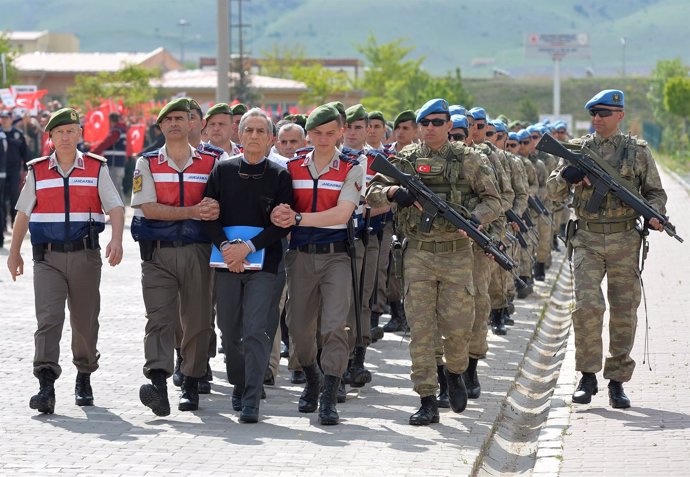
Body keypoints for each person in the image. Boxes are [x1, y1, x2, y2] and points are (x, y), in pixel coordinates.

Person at [366, 98, 502, 425]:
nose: (430, 128)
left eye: (437, 122)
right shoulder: (407, 159)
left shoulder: (468, 159)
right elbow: (371, 193)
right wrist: (391, 194)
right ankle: (426, 396)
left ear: (448, 126)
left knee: (457, 329)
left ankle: (455, 372)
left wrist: (473, 218)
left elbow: (494, 201)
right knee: (422, 330)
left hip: (456, 252)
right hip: (419, 253)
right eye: (424, 123)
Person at [546, 89, 668, 409]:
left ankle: (616, 381)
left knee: (624, 312)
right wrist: (568, 177)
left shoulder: (637, 152)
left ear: (620, 116)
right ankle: (587, 375)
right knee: (586, 306)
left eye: (604, 114)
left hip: (625, 240)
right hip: (586, 238)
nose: (597, 119)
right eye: (593, 114)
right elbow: (552, 191)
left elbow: (655, 193)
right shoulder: (578, 150)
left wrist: (655, 214)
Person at [6, 107, 125, 414]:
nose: (66, 137)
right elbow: (22, 213)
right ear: (51, 138)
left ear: (80, 135)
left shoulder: (97, 168)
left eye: (71, 131)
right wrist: (15, 251)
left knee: (84, 321)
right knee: (48, 319)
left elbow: (115, 207)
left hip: (85, 256)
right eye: (59, 132)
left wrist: (116, 238)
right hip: (47, 259)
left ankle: (84, 375)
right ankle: (46, 384)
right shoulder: (37, 171)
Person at [271, 104, 364, 426]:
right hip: (299, 255)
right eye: (317, 133)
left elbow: (342, 214)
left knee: (334, 326)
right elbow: (278, 208)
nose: (324, 139)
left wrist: (297, 218)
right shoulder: (292, 167)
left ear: (340, 132)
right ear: (308, 134)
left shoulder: (351, 166)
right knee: (298, 328)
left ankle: (329, 395)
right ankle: (312, 377)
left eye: (330, 133)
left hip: (337, 255)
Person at [130, 98, 220, 416]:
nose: (175, 124)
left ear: (192, 123)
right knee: (159, 320)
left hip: (200, 252)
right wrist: (194, 211)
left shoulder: (213, 161)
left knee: (196, 321)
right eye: (168, 120)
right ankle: (158, 384)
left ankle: (191, 383)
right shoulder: (146, 163)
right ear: (161, 127)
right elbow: (148, 208)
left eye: (180, 118)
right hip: (158, 254)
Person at [203, 107, 293, 423]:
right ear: (239, 135)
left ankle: (252, 398)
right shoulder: (222, 172)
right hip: (226, 260)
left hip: (265, 264)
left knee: (255, 331)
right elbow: (209, 216)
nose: (254, 136)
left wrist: (249, 248)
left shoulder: (280, 176)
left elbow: (282, 224)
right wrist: (228, 248)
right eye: (248, 130)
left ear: (270, 138)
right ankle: (240, 384)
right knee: (229, 332)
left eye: (260, 131)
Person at [90, 112, 128, 203]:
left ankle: (120, 212)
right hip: (119, 163)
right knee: (118, 187)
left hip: (114, 163)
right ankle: (120, 212)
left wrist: (92, 153)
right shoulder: (122, 129)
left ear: (110, 120)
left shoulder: (116, 131)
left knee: (115, 189)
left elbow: (105, 144)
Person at [2, 110, 29, 231]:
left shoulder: (18, 134)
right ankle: (2, 226)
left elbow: (25, 152)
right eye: (2, 117)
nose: (4, 120)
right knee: (1, 199)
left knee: (14, 196)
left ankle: (14, 223)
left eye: (7, 117)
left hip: (14, 171)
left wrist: (27, 169)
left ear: (11, 119)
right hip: (1, 170)